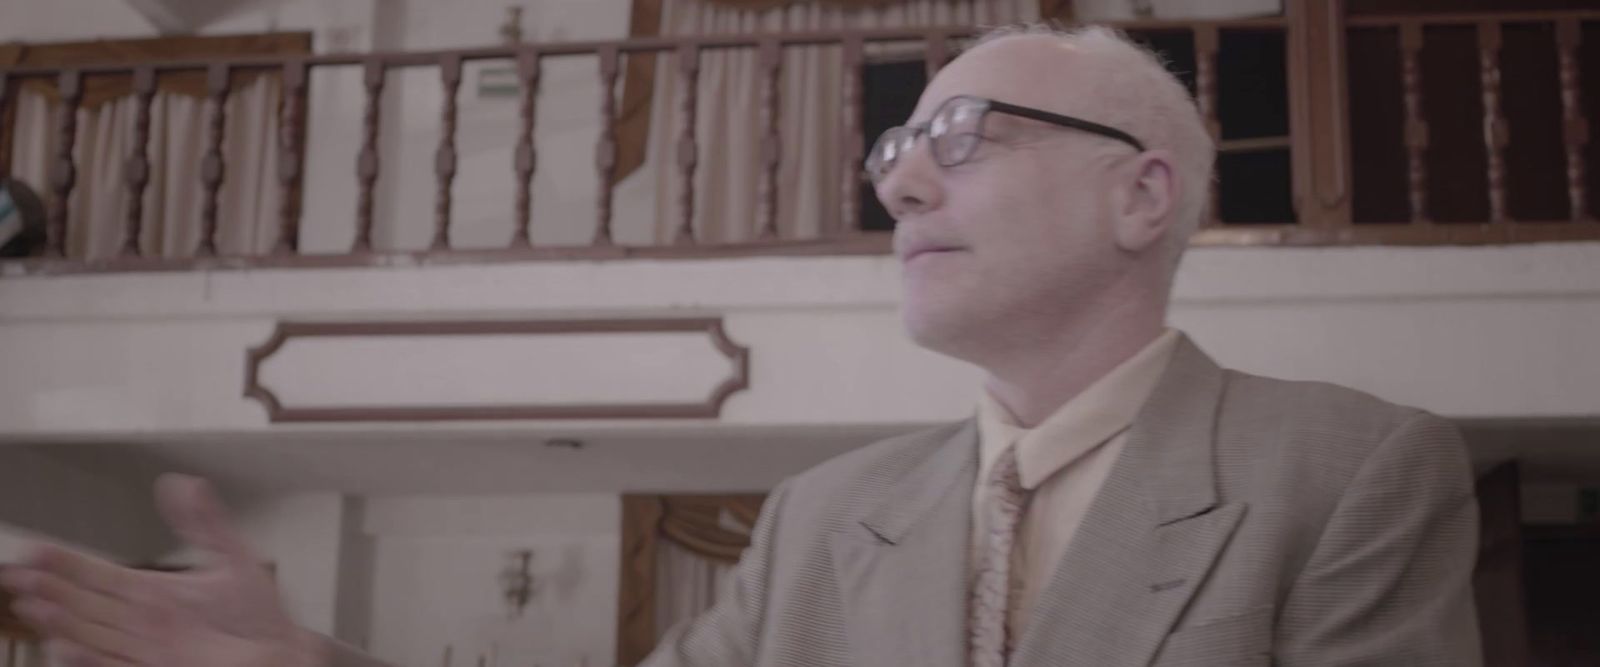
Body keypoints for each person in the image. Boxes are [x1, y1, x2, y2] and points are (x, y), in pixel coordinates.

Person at [0, 24, 1482, 667]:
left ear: (1139, 192)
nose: (898, 179)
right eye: (899, 142)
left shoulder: (1347, 472)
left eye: (962, 136)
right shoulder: (823, 522)